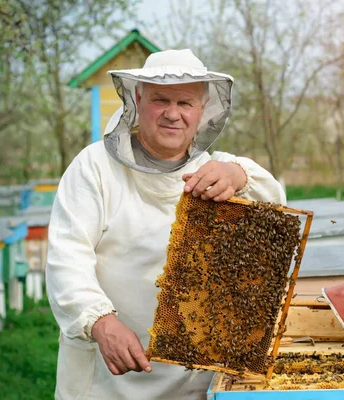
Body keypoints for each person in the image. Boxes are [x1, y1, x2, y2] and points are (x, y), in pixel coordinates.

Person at [46, 49, 285, 399]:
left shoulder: (215, 172)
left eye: (185, 103)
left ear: (203, 109)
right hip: (104, 374)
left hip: (190, 380)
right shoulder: (94, 167)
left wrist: (238, 174)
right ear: (137, 99)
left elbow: (276, 205)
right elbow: (67, 256)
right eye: (161, 100)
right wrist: (99, 321)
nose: (173, 114)